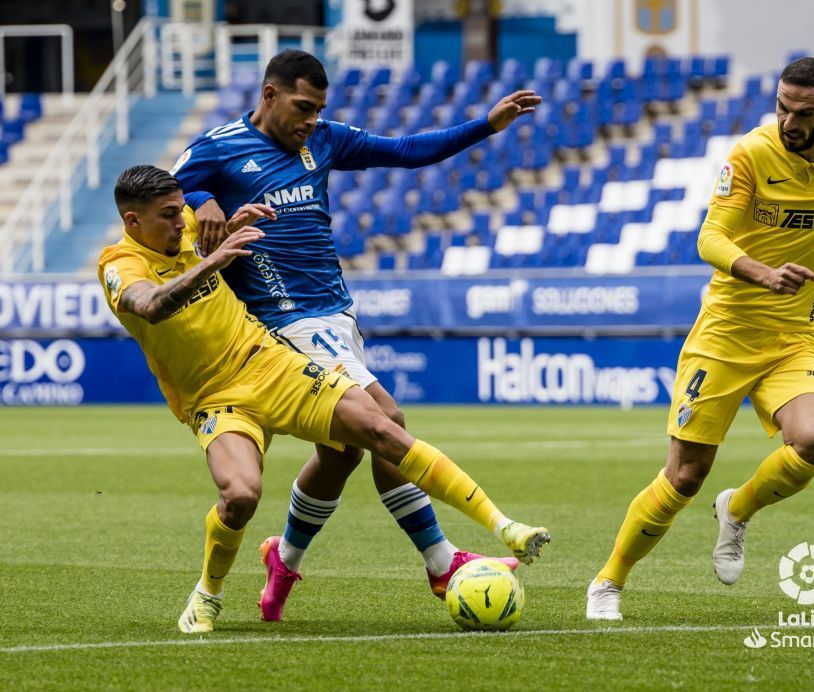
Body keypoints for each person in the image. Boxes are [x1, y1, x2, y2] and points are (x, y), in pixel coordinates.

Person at [98, 165, 549, 633]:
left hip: (269, 363)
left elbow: (202, 222)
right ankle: (208, 593)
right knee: (240, 496)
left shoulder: (186, 226)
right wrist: (218, 258)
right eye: (168, 215)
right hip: (213, 398)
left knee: (380, 426)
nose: (180, 221)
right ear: (133, 221)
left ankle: (504, 527)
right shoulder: (119, 264)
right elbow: (150, 305)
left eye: (180, 211)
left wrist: (229, 229)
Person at [170, 50, 544, 606]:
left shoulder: (324, 139)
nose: (310, 120)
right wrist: (200, 199)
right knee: (386, 420)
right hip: (282, 321)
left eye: (319, 109)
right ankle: (441, 562)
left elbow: (407, 152)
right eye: (302, 107)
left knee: (343, 451)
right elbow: (163, 192)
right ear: (269, 95)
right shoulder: (218, 146)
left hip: (337, 315)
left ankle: (284, 560)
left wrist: (486, 126)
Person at [586, 57, 814, 621]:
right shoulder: (750, 154)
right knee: (684, 476)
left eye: (803, 113)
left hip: (794, 336)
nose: (789, 121)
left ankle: (738, 509)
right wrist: (762, 271)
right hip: (725, 335)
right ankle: (608, 581)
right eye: (782, 107)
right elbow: (710, 237)